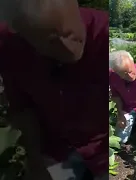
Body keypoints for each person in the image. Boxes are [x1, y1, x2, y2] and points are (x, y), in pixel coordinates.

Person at [0, 0, 109, 180]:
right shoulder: (10, 46)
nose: (68, 47)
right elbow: (23, 108)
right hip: (54, 150)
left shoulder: (103, 35)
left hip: (100, 151)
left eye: (71, 34)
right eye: (51, 41)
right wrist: (35, 161)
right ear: (22, 34)